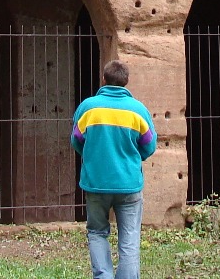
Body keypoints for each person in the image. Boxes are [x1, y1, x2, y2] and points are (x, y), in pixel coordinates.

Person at [71, 60, 157, 279]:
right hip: (129, 183)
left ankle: (103, 276)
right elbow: (149, 146)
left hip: (96, 182)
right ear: (126, 81)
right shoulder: (138, 110)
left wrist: (92, 157)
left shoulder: (89, 108)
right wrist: (132, 160)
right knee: (130, 237)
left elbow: (76, 140)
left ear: (104, 79)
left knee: (97, 232)